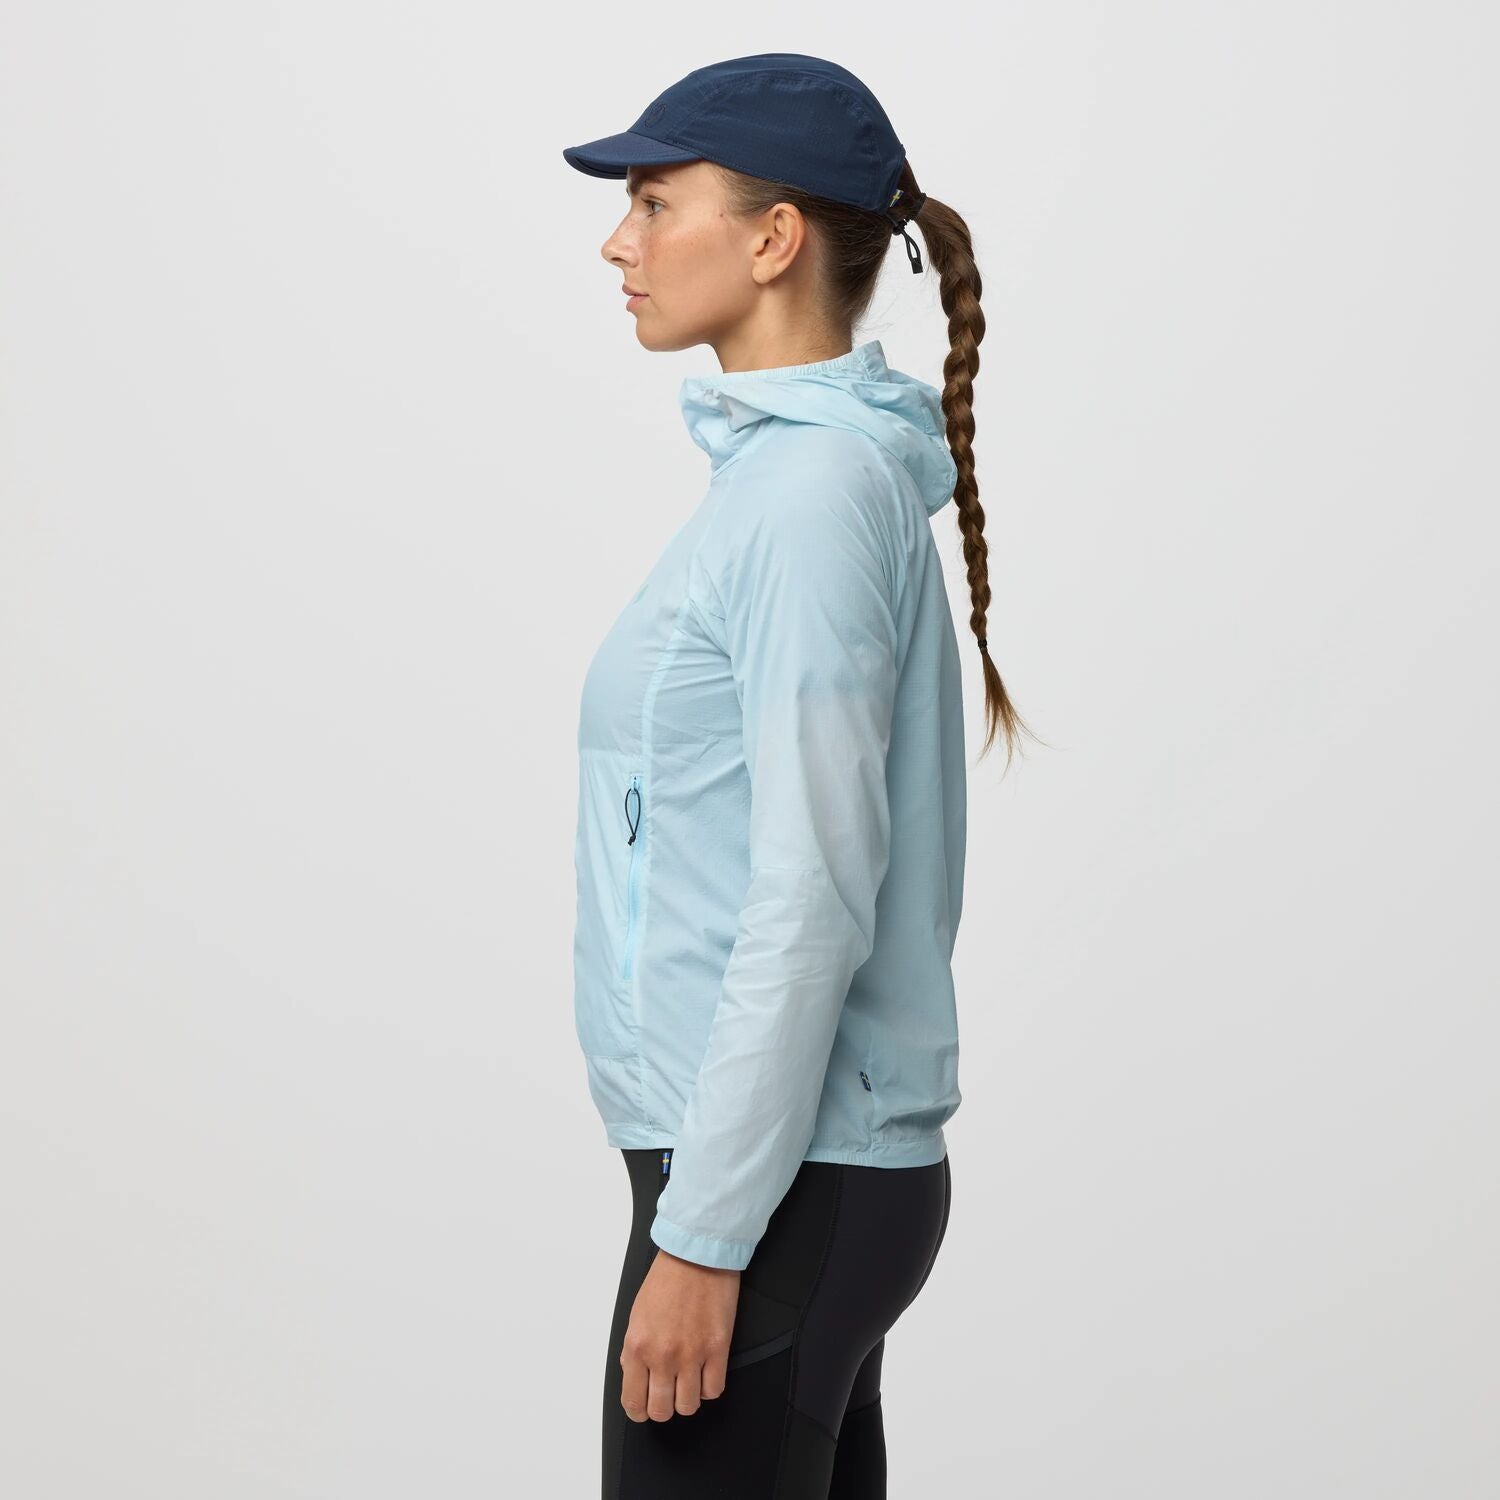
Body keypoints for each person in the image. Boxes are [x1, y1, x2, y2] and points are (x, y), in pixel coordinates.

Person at [562, 52, 1033, 1500]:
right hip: (768, 1171)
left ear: (772, 240)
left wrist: (704, 1236)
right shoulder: (780, 488)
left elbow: (814, 893)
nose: (617, 243)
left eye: (654, 201)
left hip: (771, 1188)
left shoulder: (813, 500)